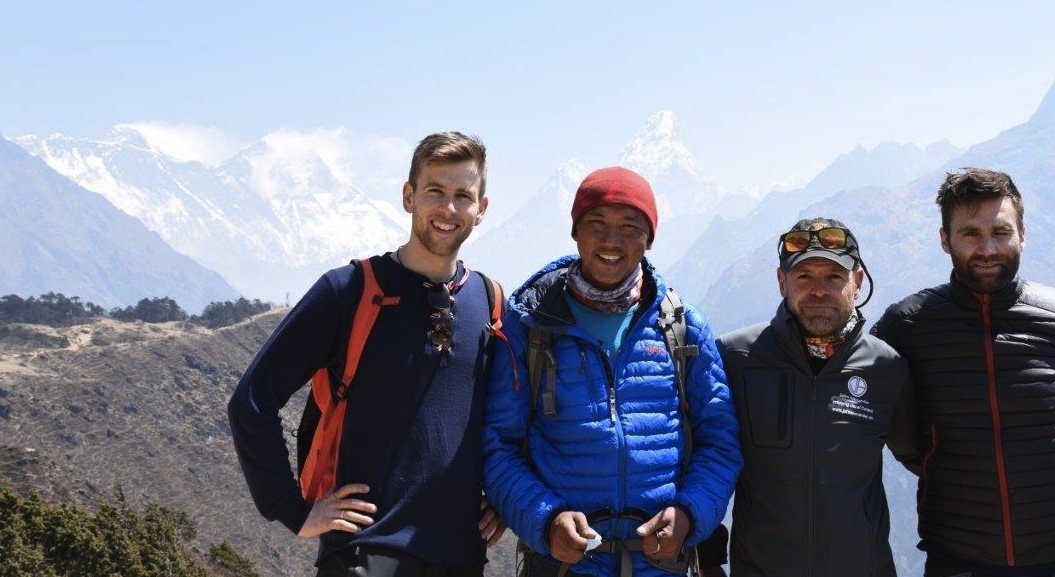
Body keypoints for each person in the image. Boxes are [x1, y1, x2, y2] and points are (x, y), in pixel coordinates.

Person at [227, 131, 507, 577]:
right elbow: (252, 402)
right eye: (435, 191)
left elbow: (509, 419)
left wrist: (505, 497)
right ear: (408, 196)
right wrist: (291, 508)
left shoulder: (490, 302)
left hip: (462, 557)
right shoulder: (349, 291)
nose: (448, 209)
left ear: (482, 209)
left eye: (463, 196)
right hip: (364, 555)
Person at [871, 168, 1055, 577]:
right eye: (971, 233)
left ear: (1022, 233)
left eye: (1001, 232)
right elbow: (869, 407)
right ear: (945, 240)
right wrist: (932, 463)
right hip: (958, 556)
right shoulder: (907, 326)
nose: (987, 248)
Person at [482, 166, 742, 577]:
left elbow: (719, 442)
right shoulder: (530, 326)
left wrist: (689, 514)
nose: (611, 241)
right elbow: (499, 446)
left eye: (629, 226)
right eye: (596, 224)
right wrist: (547, 521)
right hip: (564, 567)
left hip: (663, 566)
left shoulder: (682, 328)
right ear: (575, 232)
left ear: (649, 238)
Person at [714, 217, 915, 577]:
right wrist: (708, 559)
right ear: (782, 282)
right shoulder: (735, 358)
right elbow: (706, 462)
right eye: (804, 276)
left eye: (834, 277)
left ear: (857, 282)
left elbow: (924, 459)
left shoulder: (887, 368)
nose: (819, 290)